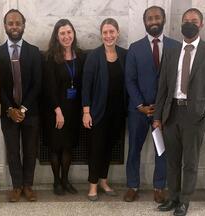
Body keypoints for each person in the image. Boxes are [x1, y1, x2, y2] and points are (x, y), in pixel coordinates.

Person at [154, 8, 205, 216]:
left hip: (196, 117)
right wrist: (158, 116)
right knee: (172, 161)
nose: (189, 23)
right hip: (171, 113)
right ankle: (173, 198)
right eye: (185, 20)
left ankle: (185, 201)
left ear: (201, 25)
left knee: (190, 162)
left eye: (193, 20)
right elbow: (163, 88)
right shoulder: (172, 51)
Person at [124, 6, 180, 203]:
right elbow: (129, 80)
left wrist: (163, 109)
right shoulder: (134, 48)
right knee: (133, 150)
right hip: (138, 111)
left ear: (164, 19)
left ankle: (159, 187)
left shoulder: (176, 46)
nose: (153, 21)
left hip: (164, 112)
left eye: (157, 17)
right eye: (149, 18)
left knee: (161, 150)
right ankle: (132, 186)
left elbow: (178, 80)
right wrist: (140, 104)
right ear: (144, 22)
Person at [0, 9, 42, 202]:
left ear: (24, 25)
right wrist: (9, 109)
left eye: (18, 23)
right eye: (10, 23)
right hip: (8, 113)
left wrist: (23, 109)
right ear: (5, 26)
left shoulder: (34, 51)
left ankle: (28, 186)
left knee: (31, 150)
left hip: (30, 112)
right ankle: (16, 186)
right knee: (13, 151)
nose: (14, 27)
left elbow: (37, 83)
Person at [82, 18, 127, 201]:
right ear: (101, 35)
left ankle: (103, 181)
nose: (108, 36)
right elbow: (86, 85)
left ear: (118, 33)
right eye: (105, 32)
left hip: (117, 112)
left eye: (112, 32)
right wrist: (86, 111)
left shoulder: (125, 54)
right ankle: (92, 186)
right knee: (96, 149)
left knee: (109, 148)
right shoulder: (94, 56)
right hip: (98, 112)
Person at [43, 19, 85, 195]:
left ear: (73, 34)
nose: (66, 36)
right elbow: (49, 87)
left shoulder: (81, 56)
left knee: (68, 146)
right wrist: (58, 111)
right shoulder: (50, 57)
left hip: (74, 109)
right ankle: (56, 182)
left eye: (69, 32)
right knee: (55, 147)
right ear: (57, 36)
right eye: (62, 33)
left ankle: (66, 180)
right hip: (56, 109)